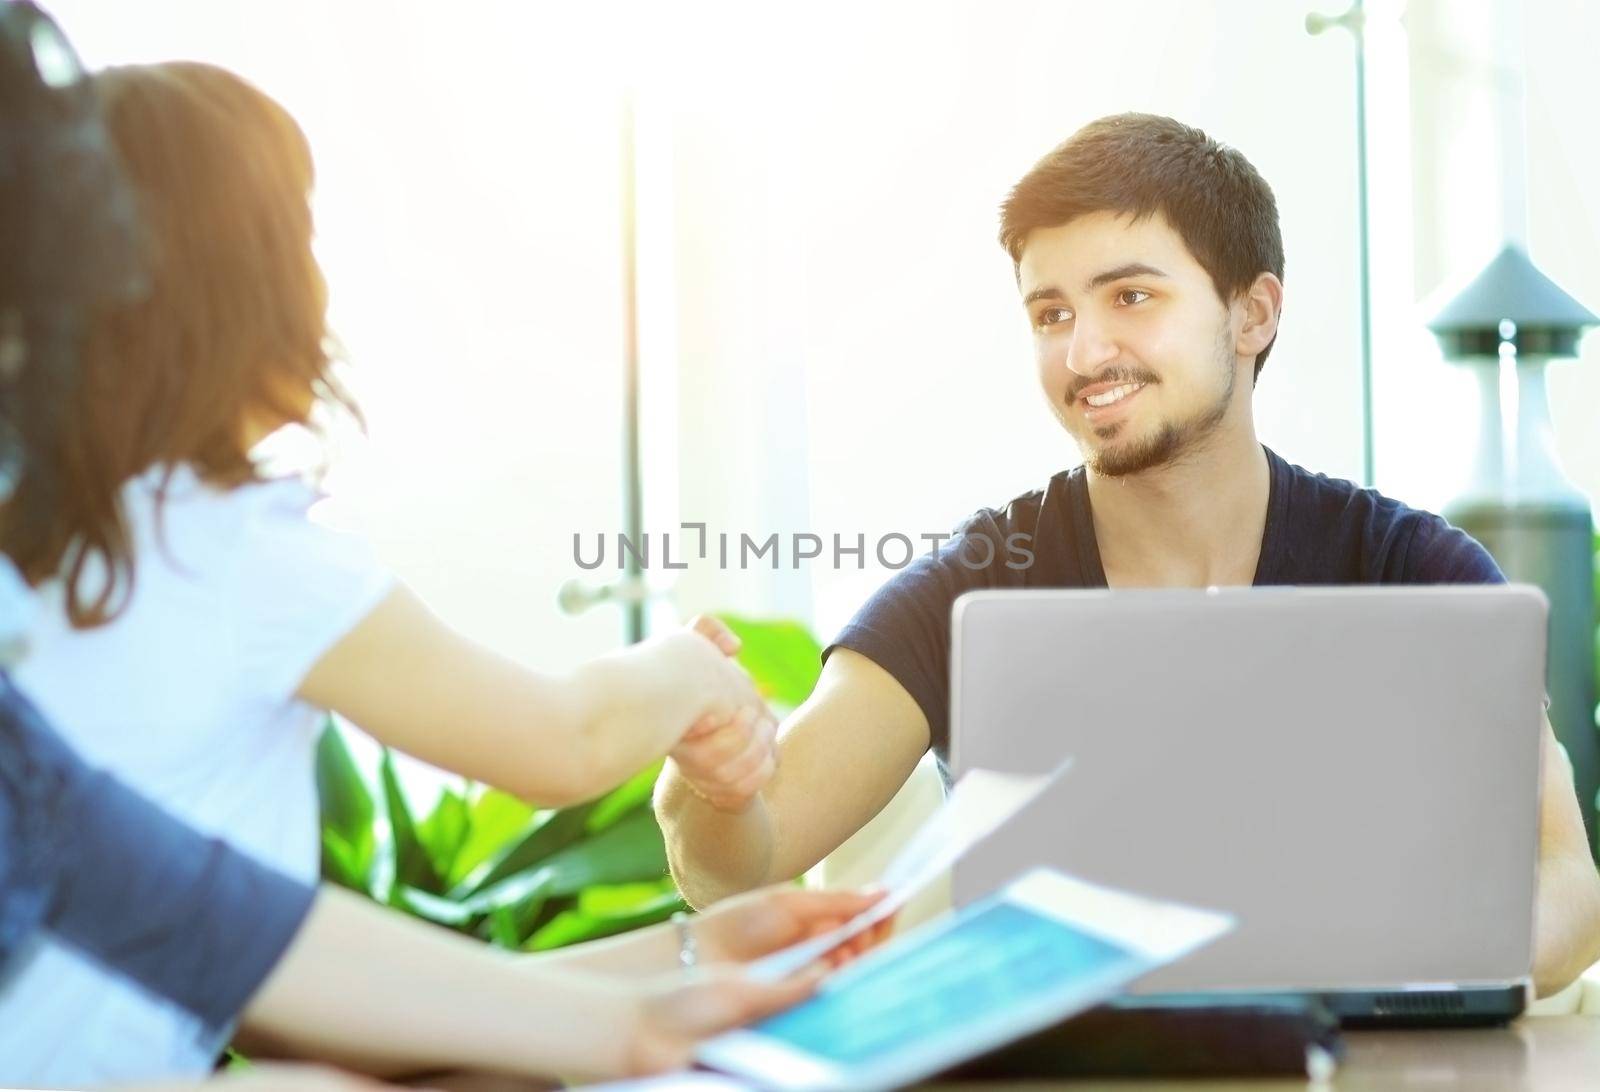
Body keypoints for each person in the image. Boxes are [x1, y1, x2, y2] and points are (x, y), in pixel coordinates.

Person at [0, 10, 879, 1086]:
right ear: (253, 282)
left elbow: (282, 997)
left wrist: (687, 956)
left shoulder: (63, 552)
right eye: (304, 234)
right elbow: (566, 740)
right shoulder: (235, 548)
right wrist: (694, 676)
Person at [655, 112, 1600, 998]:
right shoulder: (979, 580)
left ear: (1253, 313)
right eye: (1052, 315)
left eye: (1131, 296)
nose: (1084, 351)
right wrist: (711, 784)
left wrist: (1411, 975)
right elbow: (737, 864)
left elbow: (1566, 877)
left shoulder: (1412, 569)